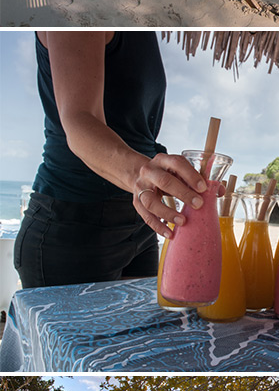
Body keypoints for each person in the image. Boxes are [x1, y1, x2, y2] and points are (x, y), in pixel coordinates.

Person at [14, 33, 211, 289]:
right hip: (74, 223)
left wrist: (162, 174)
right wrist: (142, 173)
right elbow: (79, 119)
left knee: (142, 328)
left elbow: (136, 130)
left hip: (139, 218)